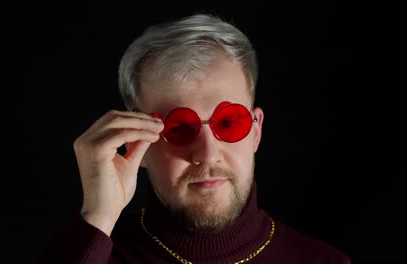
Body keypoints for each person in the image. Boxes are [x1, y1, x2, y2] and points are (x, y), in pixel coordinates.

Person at [38, 13, 351, 263]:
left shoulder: (323, 260)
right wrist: (98, 217)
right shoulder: (88, 254)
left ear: (255, 131)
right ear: (137, 143)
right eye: (179, 128)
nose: (207, 153)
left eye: (229, 123)